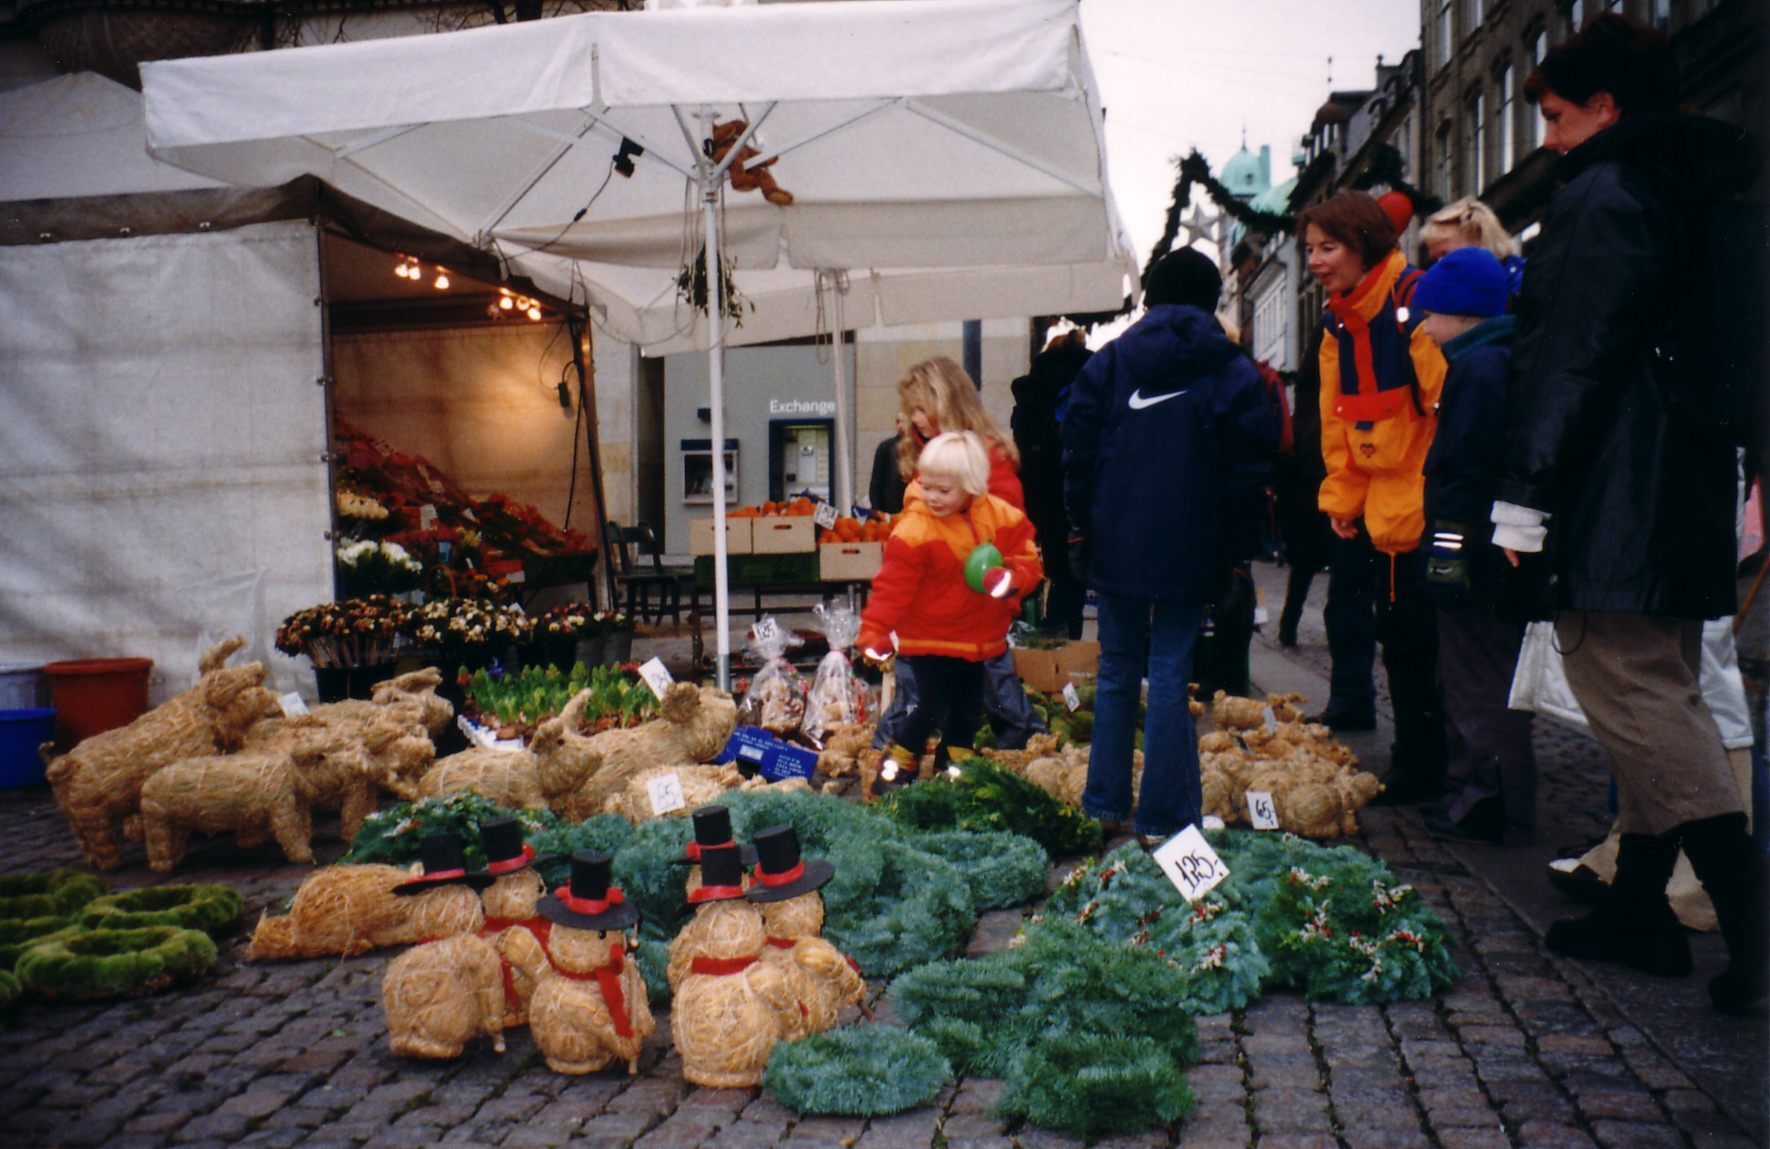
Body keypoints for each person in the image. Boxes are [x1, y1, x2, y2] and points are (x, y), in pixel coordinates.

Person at [1490, 13, 1763, 1012]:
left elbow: (1566, 355)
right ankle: (1640, 912)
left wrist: (1524, 499)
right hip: (1677, 483)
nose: (1547, 140)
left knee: (1644, 705)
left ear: (1607, 108)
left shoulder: (1604, 193)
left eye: (1558, 117)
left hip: (1616, 493)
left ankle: (1750, 929)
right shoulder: (1692, 188)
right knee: (1655, 697)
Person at [1063, 247, 1277, 842]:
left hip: (1116, 536)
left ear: (1151, 297)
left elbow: (1076, 451)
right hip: (1194, 541)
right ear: (1212, 303)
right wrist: (1238, 557)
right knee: (1170, 668)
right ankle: (1162, 818)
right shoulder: (1231, 370)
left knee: (1116, 670)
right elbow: (1247, 474)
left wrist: (1078, 526)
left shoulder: (1109, 363)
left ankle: (1102, 804)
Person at [1301, 190, 1450, 804]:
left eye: (1327, 247)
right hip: (1386, 514)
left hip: (1431, 512)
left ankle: (1441, 771)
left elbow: (1446, 408)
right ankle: (1418, 766)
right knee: (1402, 643)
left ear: (1363, 245)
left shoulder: (1414, 302)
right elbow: (1339, 421)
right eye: (1309, 249)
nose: (1314, 261)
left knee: (1433, 649)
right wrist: (1342, 499)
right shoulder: (1340, 321)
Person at [1409, 247, 1536, 846]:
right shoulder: (1497, 361)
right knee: (1476, 674)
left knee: (1476, 677)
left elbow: (1463, 473)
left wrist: (1447, 552)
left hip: (1477, 552)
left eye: (1429, 315)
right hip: (1488, 546)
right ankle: (1475, 791)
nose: (1425, 329)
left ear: (1460, 314)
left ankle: (1486, 801)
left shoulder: (1479, 368)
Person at [858, 431, 1042, 792]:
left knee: (969, 708)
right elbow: (892, 587)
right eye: (926, 487)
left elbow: (1028, 559)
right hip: (927, 638)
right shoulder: (915, 530)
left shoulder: (1000, 517)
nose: (932, 498)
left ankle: (955, 765)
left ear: (971, 485)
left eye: (944, 491)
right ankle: (894, 769)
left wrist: (1009, 578)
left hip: (978, 638)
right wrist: (876, 632)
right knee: (929, 706)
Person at [884, 356, 1045, 750]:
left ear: (946, 402)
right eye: (912, 409)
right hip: (933, 608)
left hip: (969, 608)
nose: (915, 418)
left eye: (921, 408)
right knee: (949, 700)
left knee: (968, 700)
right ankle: (922, 767)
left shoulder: (987, 459)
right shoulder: (932, 455)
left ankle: (907, 769)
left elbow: (1007, 535)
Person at [1011, 328, 1093, 640]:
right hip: (1075, 495)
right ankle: (1067, 645)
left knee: (1058, 575)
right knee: (1077, 579)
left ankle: (1054, 640)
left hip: (1038, 496)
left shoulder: (1033, 388)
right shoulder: (1085, 380)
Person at [1274, 331, 1335, 647]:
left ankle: (1288, 626)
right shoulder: (1334, 411)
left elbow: (1285, 463)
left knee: (1302, 571)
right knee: (1345, 573)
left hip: (1305, 503)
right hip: (1328, 495)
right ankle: (1340, 629)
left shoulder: (1302, 418)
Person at [1419, 197, 1526, 297]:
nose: (1439, 266)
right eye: (1435, 259)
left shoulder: (1528, 285)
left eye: (1446, 254)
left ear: (1480, 239)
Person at [867, 415, 908, 515]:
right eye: (898, 422)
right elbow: (876, 481)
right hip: (889, 510)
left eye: (904, 422)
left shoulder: (920, 448)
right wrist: (876, 508)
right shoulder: (886, 447)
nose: (900, 426)